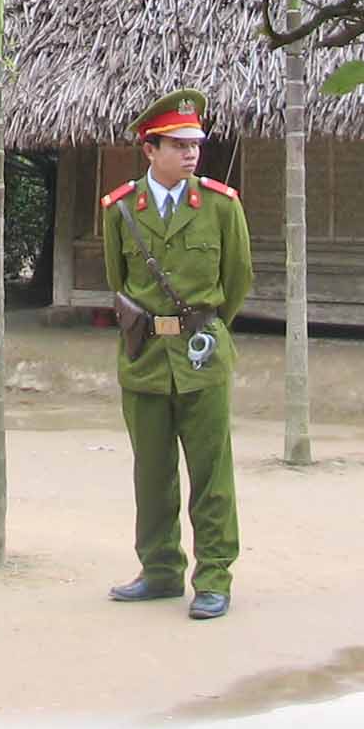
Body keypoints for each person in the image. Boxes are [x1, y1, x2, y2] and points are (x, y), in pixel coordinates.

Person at [102, 87, 252, 620]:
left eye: (197, 144)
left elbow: (236, 282)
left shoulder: (219, 205)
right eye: (179, 144)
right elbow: (118, 282)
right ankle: (160, 569)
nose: (192, 153)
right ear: (150, 149)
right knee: (152, 471)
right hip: (144, 357)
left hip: (201, 353)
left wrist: (203, 330)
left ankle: (213, 576)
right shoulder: (120, 212)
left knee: (211, 472)